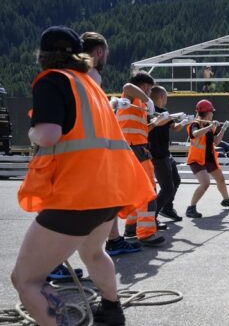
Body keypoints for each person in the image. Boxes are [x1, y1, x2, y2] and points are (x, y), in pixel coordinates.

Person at [11, 26, 155, 325]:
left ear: (42, 56)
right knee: (93, 252)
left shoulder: (52, 80)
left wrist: (31, 131)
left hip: (76, 195)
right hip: (108, 192)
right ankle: (112, 309)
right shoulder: (91, 87)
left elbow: (48, 135)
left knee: (26, 280)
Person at [80, 32, 144, 258]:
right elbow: (91, 110)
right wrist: (114, 102)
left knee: (107, 196)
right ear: (99, 52)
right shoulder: (91, 74)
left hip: (87, 148)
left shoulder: (79, 74)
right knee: (74, 206)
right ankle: (52, 259)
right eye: (105, 52)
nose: (106, 56)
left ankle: (114, 240)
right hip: (86, 149)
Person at [117, 72, 165, 246]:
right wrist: (148, 100)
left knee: (134, 189)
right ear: (143, 86)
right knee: (148, 191)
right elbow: (127, 86)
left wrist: (155, 123)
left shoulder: (136, 103)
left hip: (132, 147)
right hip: (135, 147)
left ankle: (131, 228)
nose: (150, 91)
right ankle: (145, 232)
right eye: (149, 88)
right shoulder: (132, 95)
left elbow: (141, 129)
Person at [185, 99, 229, 218]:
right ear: (208, 112)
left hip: (209, 158)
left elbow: (216, 141)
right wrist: (209, 127)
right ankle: (191, 208)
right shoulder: (194, 124)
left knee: (221, 179)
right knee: (205, 183)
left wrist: (223, 129)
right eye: (212, 112)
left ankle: (226, 200)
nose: (213, 114)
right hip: (197, 160)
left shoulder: (210, 125)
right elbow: (194, 134)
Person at [148, 86, 187, 222]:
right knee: (167, 188)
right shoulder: (149, 111)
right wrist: (171, 117)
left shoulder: (165, 111)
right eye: (166, 97)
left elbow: (174, 128)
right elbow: (156, 123)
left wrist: (184, 122)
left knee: (176, 180)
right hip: (157, 154)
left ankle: (167, 208)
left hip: (166, 153)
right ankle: (152, 216)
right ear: (161, 96)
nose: (166, 100)